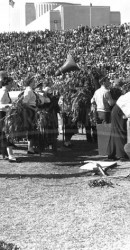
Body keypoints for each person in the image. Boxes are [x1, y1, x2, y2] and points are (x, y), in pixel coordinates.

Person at [0, 74, 18, 162]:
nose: (12, 85)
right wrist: (11, 105)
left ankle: (7, 154)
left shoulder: (4, 91)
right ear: (7, 83)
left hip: (3, 114)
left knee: (5, 135)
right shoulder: (3, 92)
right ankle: (10, 156)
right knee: (7, 134)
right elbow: (0, 105)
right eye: (11, 83)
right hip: (2, 115)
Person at [107, 91, 130, 160]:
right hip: (119, 111)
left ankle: (112, 153)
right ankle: (121, 155)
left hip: (119, 109)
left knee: (116, 132)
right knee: (120, 132)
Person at [22, 72, 38, 154]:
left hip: (32, 109)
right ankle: (30, 148)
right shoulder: (28, 90)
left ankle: (30, 148)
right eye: (34, 81)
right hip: (30, 111)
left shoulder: (30, 90)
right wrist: (33, 109)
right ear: (31, 82)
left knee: (32, 129)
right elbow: (25, 103)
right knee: (32, 128)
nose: (35, 82)